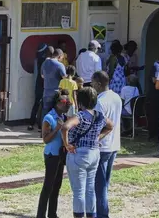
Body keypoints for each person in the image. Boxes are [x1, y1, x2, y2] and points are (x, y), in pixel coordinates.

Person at [61, 87, 113, 218]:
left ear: (81, 101)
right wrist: (98, 137)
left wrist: (67, 144)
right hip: (94, 153)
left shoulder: (80, 116)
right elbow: (110, 125)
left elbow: (65, 127)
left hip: (79, 153)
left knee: (78, 191)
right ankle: (92, 215)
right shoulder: (99, 115)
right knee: (90, 190)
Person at [36, 90, 71, 218]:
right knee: (48, 186)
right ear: (56, 103)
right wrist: (57, 129)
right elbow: (45, 139)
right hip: (51, 155)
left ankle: (52, 214)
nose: (67, 104)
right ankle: (40, 215)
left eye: (69, 102)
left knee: (57, 186)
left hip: (60, 155)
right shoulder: (49, 118)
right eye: (64, 102)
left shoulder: (63, 117)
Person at [92, 71, 122, 218]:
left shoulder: (99, 101)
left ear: (98, 83)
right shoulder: (116, 97)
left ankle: (102, 214)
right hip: (114, 144)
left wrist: (94, 139)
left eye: (92, 83)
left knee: (100, 186)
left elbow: (98, 126)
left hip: (102, 146)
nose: (91, 86)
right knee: (104, 183)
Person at [29, 44, 50, 131]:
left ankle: (31, 123)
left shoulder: (38, 60)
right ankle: (42, 125)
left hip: (38, 84)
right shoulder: (46, 61)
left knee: (36, 104)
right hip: (45, 85)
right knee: (45, 106)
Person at [42, 48, 67, 117]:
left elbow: (42, 76)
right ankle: (54, 127)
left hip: (46, 92)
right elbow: (65, 78)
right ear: (59, 56)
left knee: (45, 111)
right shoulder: (60, 65)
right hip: (56, 93)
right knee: (57, 112)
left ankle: (44, 126)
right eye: (62, 58)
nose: (62, 60)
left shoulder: (44, 63)